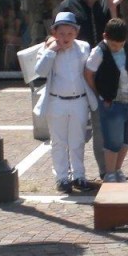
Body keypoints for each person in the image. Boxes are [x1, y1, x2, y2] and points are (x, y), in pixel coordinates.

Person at [59, 0, 123, 179]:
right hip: (75, 75)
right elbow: (58, 34)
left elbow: (117, 35)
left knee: (101, 125)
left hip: (100, 76)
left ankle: (106, 171)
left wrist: (113, 9)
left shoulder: (105, 5)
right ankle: (72, 173)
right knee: (74, 129)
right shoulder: (68, 6)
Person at [33, 11, 98, 194]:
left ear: (76, 33)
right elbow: (40, 71)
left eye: (70, 33)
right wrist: (51, 51)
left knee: (77, 141)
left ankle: (79, 176)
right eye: (61, 33)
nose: (66, 37)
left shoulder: (83, 47)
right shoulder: (48, 50)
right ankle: (62, 178)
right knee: (58, 142)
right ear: (54, 33)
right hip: (56, 101)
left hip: (79, 101)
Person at [84, 17, 128, 183]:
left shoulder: (125, 47)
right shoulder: (99, 51)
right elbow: (88, 73)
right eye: (114, 45)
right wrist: (99, 93)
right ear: (105, 37)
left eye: (121, 44)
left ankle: (118, 169)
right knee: (113, 140)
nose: (117, 48)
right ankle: (109, 173)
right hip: (111, 100)